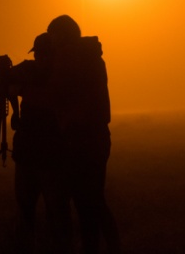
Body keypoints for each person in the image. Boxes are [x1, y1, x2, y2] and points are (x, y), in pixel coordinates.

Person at [46, 15, 120, 254]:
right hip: (96, 134)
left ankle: (100, 246)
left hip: (80, 137)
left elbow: (57, 93)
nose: (51, 41)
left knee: (86, 200)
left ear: (63, 35)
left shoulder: (69, 57)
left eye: (53, 35)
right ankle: (105, 246)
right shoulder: (90, 56)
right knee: (93, 199)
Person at [8, 33, 72, 254]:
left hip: (45, 156)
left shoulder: (57, 75)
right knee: (49, 213)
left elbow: (51, 99)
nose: (40, 58)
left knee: (48, 213)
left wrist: (17, 90)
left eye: (42, 53)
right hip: (38, 155)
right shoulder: (39, 71)